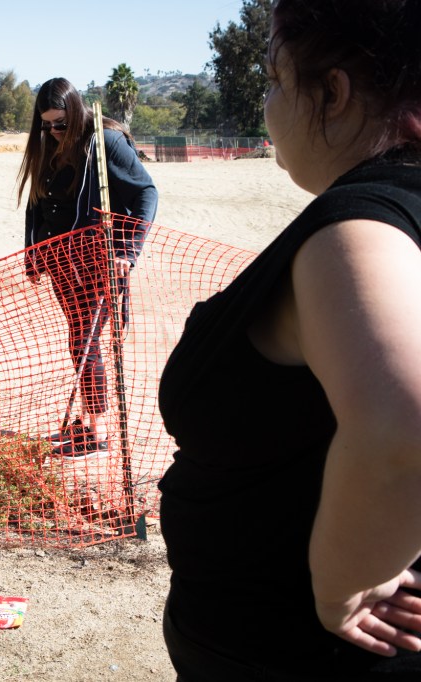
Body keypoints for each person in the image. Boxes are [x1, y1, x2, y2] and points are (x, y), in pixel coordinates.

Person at [157, 1, 421, 678]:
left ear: (331, 93)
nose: (267, 106)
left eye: (274, 79)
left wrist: (341, 587)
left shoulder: (356, 230)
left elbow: (401, 424)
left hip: (300, 648)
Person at [17, 77, 158, 452]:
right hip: (61, 262)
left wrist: (128, 252)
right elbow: (37, 202)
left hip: (100, 260)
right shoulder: (46, 145)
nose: (53, 131)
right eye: (45, 124)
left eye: (60, 123)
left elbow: (146, 192)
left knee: (86, 338)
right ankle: (88, 419)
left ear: (77, 113)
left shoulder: (105, 142)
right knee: (79, 341)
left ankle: (95, 432)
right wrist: (32, 253)